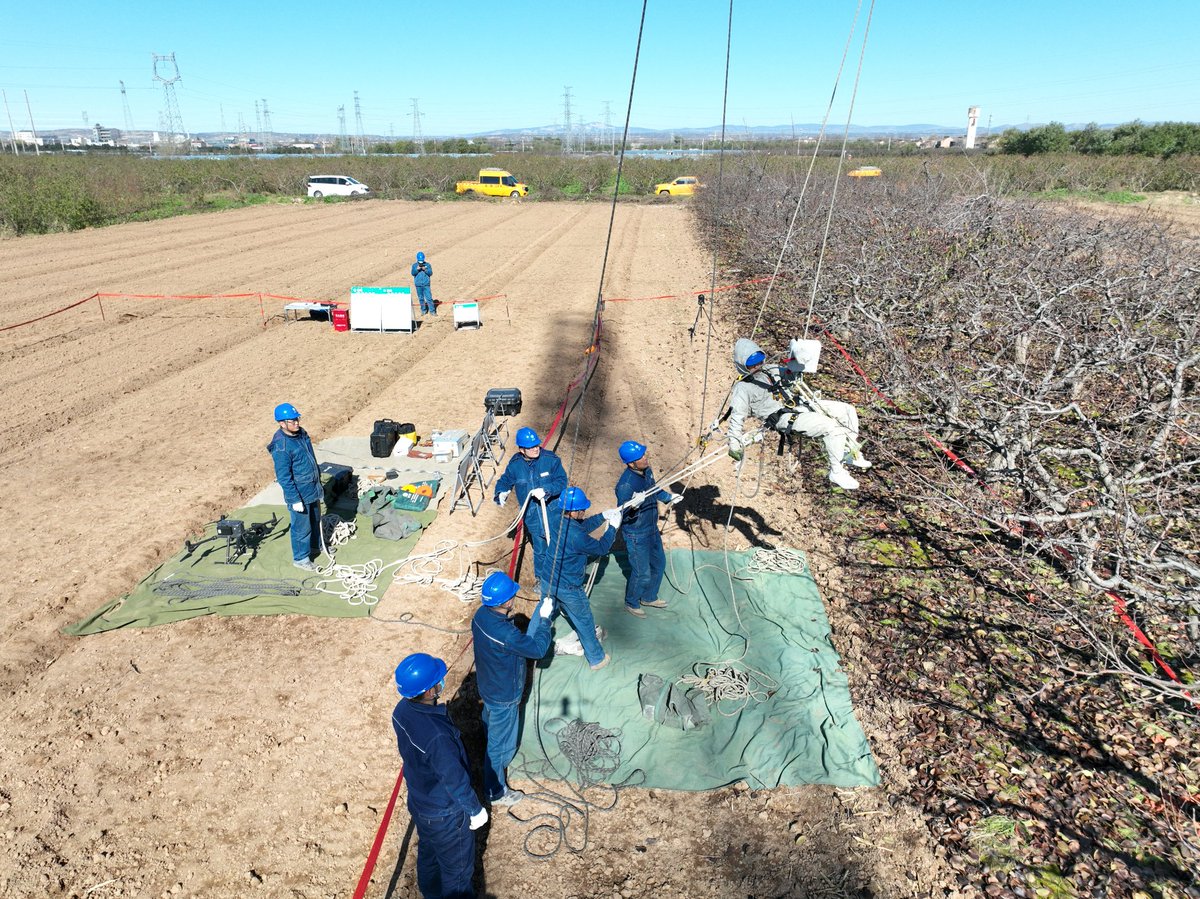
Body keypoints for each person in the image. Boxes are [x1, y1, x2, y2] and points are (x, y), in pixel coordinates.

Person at [391, 653, 488, 899]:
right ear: (429, 691)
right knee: (457, 875)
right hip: (446, 815)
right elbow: (455, 780)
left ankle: (431, 893)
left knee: (429, 854)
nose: (442, 682)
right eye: (438, 680)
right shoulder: (438, 737)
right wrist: (475, 810)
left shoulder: (401, 710)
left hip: (421, 803)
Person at [726, 338, 871, 490]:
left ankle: (848, 452)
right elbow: (737, 417)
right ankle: (836, 471)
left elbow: (790, 379)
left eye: (760, 361)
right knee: (831, 427)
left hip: (800, 405)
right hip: (783, 418)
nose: (757, 366)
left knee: (847, 410)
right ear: (743, 365)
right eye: (752, 364)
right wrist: (734, 444)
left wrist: (797, 364)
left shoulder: (771, 370)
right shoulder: (742, 388)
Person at [471, 572, 554, 806]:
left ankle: (489, 747)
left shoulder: (480, 615)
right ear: (506, 602)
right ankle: (495, 792)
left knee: (492, 728)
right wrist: (545, 620)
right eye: (512, 596)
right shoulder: (506, 634)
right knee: (498, 747)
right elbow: (537, 649)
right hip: (504, 695)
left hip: (488, 686)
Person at [541, 486, 621, 670]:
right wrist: (612, 529)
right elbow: (601, 548)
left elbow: (581, 526)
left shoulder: (556, 518)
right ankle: (596, 658)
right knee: (584, 620)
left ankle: (535, 647)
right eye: (582, 509)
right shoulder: (577, 537)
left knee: (543, 615)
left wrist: (602, 517)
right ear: (574, 511)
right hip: (568, 586)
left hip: (548, 578)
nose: (584, 511)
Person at [614, 440, 683, 617]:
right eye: (641, 457)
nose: (646, 458)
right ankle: (631, 602)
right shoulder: (626, 486)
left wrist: (669, 497)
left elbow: (654, 490)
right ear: (631, 463)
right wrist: (633, 507)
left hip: (651, 528)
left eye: (644, 454)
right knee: (642, 573)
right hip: (637, 534)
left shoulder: (647, 471)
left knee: (659, 564)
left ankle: (649, 597)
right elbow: (622, 514)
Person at [494, 427, 568, 582]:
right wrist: (501, 491)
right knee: (540, 550)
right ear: (522, 450)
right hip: (532, 517)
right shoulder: (515, 465)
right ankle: (542, 579)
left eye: (537, 445)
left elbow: (562, 481)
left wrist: (547, 490)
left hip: (552, 513)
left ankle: (563, 575)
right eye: (531, 447)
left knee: (559, 545)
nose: (536, 448)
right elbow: (505, 480)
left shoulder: (550, 459)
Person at [267, 403, 323, 570]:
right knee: (301, 527)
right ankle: (301, 558)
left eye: (297, 419)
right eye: (293, 421)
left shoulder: (301, 434)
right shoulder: (281, 446)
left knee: (315, 520)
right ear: (282, 423)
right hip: (299, 493)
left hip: (312, 487)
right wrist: (294, 499)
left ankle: (316, 546)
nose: (297, 423)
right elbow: (284, 477)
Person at [412, 251, 436, 317]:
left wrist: (425, 269)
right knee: (421, 298)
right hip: (418, 285)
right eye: (420, 261)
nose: (421, 263)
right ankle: (423, 310)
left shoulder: (428, 265)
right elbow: (413, 273)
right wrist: (417, 269)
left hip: (426, 284)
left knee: (429, 298)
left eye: (422, 261)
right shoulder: (414, 265)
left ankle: (432, 311)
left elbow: (430, 273)